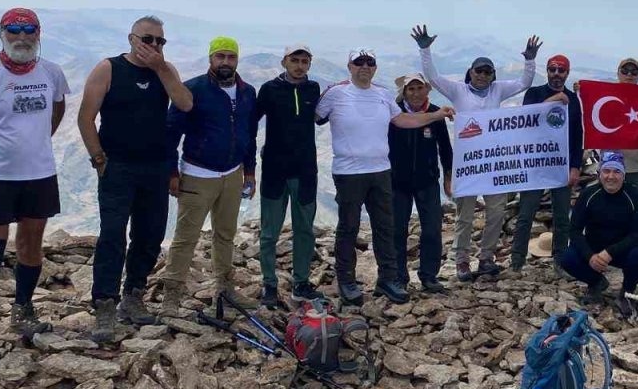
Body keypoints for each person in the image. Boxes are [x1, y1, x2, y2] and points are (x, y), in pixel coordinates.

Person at [78, 16, 193, 343]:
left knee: (150, 233)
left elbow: (185, 103)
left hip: (155, 167)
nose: (153, 46)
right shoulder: (109, 68)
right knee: (113, 234)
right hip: (119, 167)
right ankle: (104, 303)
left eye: (160, 41)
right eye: (147, 39)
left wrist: (161, 68)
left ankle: (134, 294)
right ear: (131, 38)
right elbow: (86, 117)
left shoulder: (165, 70)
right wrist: (99, 159)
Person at [0, 9, 69, 361]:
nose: (22, 37)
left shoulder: (51, 71)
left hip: (38, 172)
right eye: (14, 30)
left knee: (31, 244)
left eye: (29, 30)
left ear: (38, 33)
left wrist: (37, 142)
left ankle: (22, 309)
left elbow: (57, 109)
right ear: (2, 34)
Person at [316, 49, 455, 306]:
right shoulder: (336, 93)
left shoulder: (382, 94)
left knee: (385, 228)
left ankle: (388, 279)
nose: (365, 66)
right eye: (359, 62)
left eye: (370, 62)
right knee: (348, 228)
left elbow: (403, 120)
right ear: (349, 66)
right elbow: (314, 117)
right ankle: (346, 281)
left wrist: (436, 115)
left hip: (381, 172)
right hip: (348, 172)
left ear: (376, 68)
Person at [411, 24, 541, 280]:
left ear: (493, 75)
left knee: (496, 211)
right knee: (465, 215)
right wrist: (425, 50)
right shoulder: (458, 90)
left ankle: (486, 258)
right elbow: (433, 77)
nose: (482, 75)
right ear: (470, 72)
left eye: (487, 72)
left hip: (493, 164)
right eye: (478, 71)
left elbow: (525, 82)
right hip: (467, 163)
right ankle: (461, 261)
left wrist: (530, 60)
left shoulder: (498, 90)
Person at [160, 37, 258, 315]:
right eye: (220, 56)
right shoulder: (193, 89)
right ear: (210, 59)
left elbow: (249, 135)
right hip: (197, 174)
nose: (225, 62)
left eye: (231, 57)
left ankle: (225, 290)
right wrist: (171, 172)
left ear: (237, 60)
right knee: (185, 237)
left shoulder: (247, 92)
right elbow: (171, 133)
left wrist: (249, 170)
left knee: (225, 234)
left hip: (232, 174)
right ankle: (171, 295)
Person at [253, 44, 323, 309]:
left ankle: (301, 283)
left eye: (305, 60)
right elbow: (251, 121)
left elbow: (323, 116)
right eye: (295, 60)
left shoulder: (312, 89)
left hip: (305, 170)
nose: (299, 65)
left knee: (304, 230)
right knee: (270, 232)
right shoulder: (269, 89)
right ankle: (269, 284)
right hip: (274, 170)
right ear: (284, 62)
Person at [556, 152, 638, 318]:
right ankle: (596, 282)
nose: (611, 177)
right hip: (595, 250)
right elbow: (575, 230)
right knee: (567, 258)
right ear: (599, 174)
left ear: (623, 175)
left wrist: (609, 253)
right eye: (606, 171)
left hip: (623, 250)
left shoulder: (636, 196)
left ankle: (627, 291)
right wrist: (590, 255)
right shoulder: (589, 194)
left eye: (616, 172)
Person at [510, 54, 582, 272]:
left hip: (560, 164)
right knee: (526, 214)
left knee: (561, 215)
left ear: (567, 73)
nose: (557, 74)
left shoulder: (573, 99)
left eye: (561, 70)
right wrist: (553, 100)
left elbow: (577, 135)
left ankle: (560, 259)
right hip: (535, 164)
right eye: (553, 69)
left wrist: (575, 166)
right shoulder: (534, 93)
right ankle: (517, 260)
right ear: (547, 71)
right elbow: (527, 119)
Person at [388, 73, 453, 294]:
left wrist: (447, 177)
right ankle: (398, 277)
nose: (416, 93)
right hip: (397, 182)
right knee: (397, 230)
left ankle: (429, 275)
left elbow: (445, 148)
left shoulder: (435, 113)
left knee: (432, 229)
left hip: (428, 181)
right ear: (404, 92)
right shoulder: (394, 112)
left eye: (419, 88)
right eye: (411, 89)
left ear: (427, 89)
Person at [615, 58, 638, 199]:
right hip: (610, 166)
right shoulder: (603, 97)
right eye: (625, 71)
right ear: (618, 73)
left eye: (634, 72)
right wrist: (581, 92)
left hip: (636, 168)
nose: (629, 75)